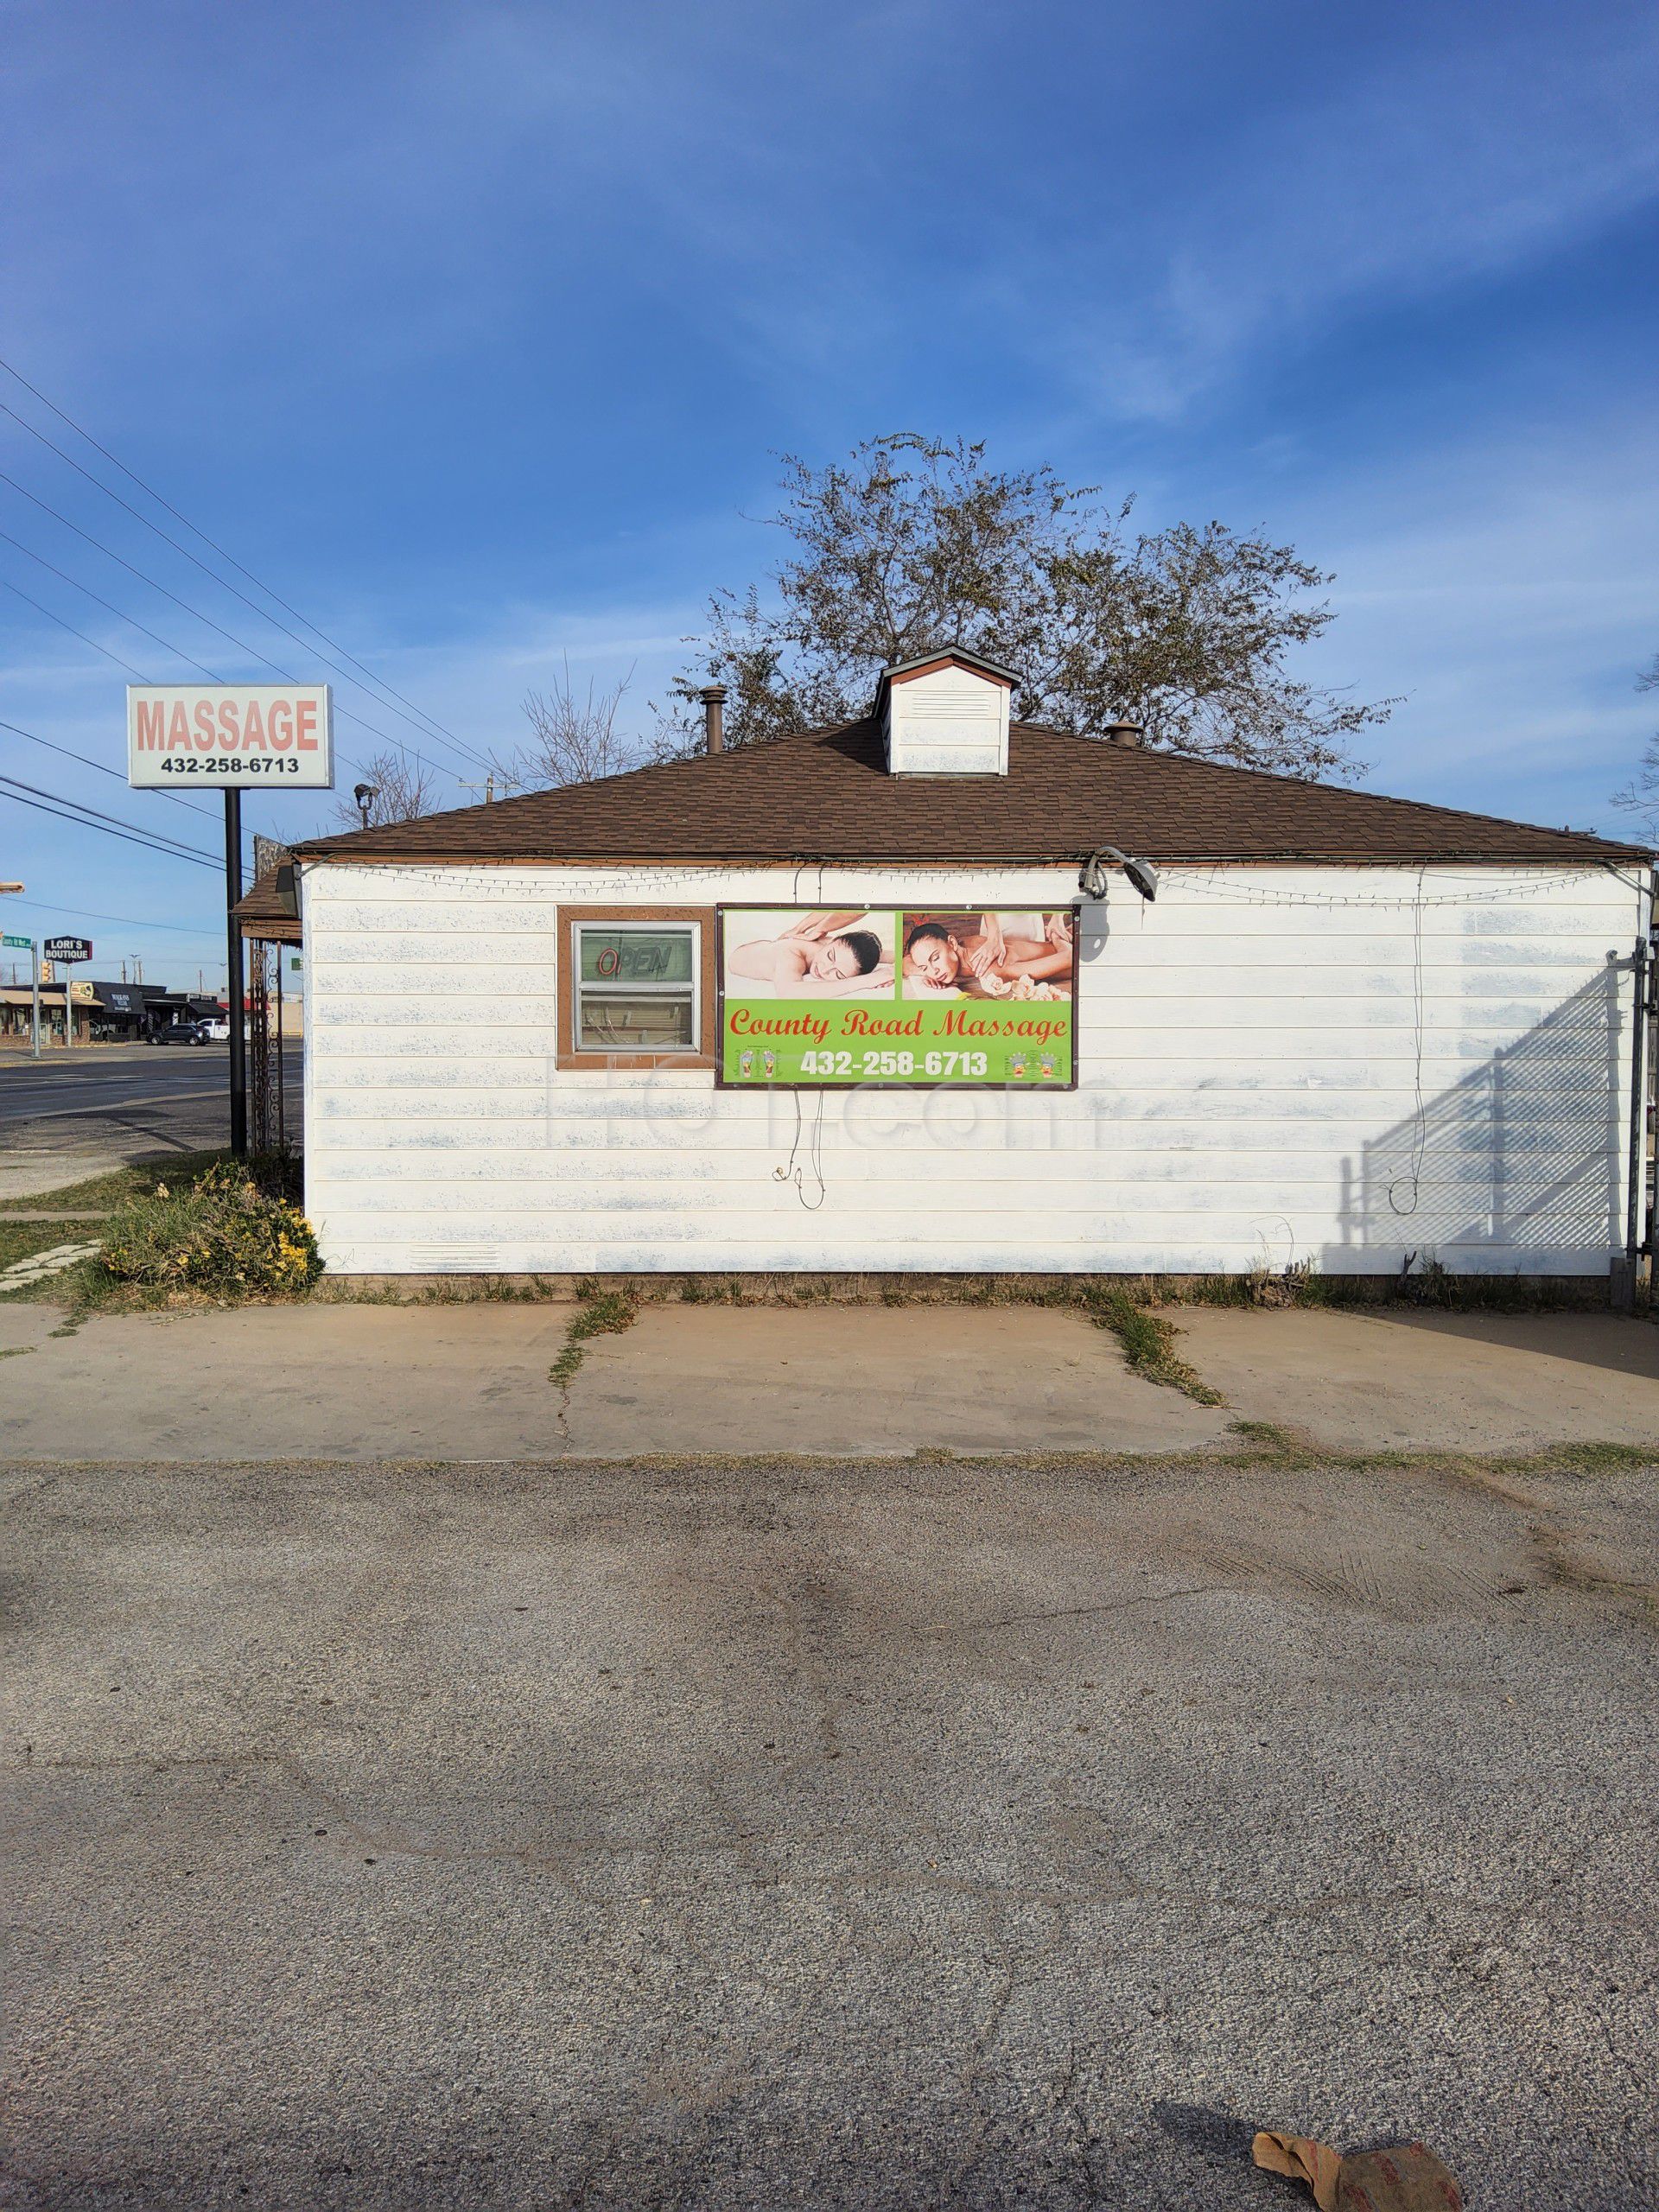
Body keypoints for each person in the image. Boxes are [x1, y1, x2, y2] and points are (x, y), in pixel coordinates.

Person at [901, 911, 1073, 995]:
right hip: (1050, 946)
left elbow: (1069, 957)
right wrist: (928, 973)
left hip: (1070, 955)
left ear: (952, 943)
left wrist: (1057, 937)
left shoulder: (992, 969)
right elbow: (906, 963)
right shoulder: (964, 945)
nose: (934, 971)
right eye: (924, 967)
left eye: (936, 959)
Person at [728, 911, 893, 995]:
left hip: (764, 944)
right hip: (737, 954)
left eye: (839, 975)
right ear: (831, 939)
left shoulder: (839, 952)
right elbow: (788, 992)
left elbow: (886, 955)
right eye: (830, 956)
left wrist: (892, 972)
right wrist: (867, 981)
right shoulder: (791, 956)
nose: (824, 969)